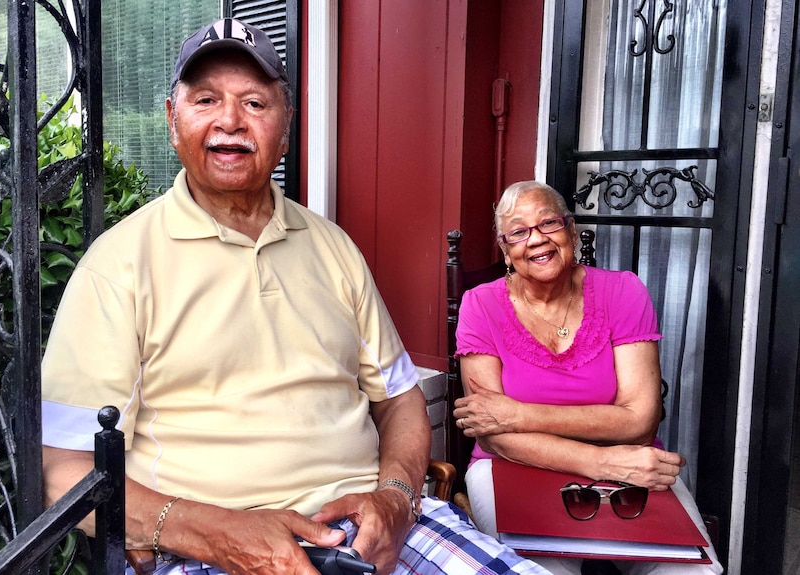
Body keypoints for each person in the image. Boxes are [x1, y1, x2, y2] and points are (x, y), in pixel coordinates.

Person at [39, 19, 552, 575]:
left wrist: (398, 497)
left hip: (377, 529)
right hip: (211, 550)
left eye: (255, 103)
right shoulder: (117, 266)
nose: (230, 121)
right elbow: (65, 470)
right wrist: (210, 532)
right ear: (172, 120)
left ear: (284, 130)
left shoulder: (334, 248)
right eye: (206, 99)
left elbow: (401, 399)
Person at [451, 181, 723, 575]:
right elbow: (493, 433)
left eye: (549, 223)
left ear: (572, 231)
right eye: (519, 232)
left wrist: (518, 415)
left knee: (694, 571)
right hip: (514, 467)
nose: (536, 240)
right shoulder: (481, 305)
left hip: (633, 467)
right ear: (505, 248)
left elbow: (640, 420)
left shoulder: (623, 292)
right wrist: (603, 461)